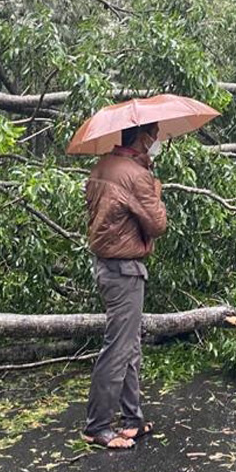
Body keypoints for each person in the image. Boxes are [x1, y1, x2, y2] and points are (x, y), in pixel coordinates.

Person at [82, 121, 168, 449]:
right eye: (155, 136)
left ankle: (132, 419)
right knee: (118, 348)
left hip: (107, 266)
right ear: (143, 138)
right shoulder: (135, 175)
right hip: (124, 270)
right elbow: (157, 224)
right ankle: (97, 426)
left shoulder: (103, 165)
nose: (157, 142)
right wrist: (155, 189)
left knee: (129, 344)